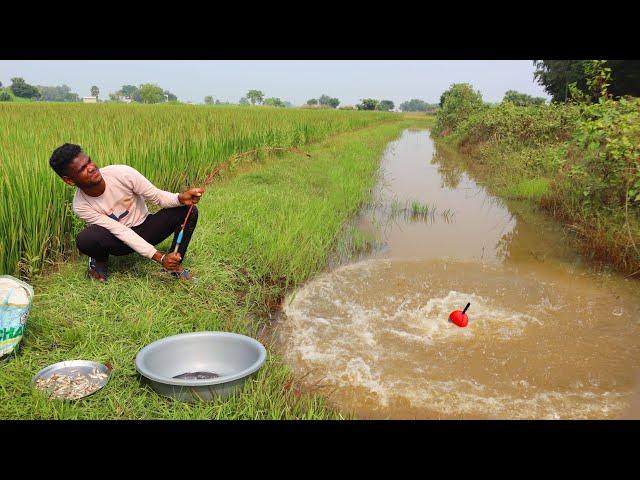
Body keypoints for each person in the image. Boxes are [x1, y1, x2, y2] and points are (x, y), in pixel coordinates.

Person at [49, 143, 204, 282]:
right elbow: (119, 230)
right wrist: (159, 257)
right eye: (82, 169)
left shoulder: (122, 173)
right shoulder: (81, 205)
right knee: (86, 239)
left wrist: (180, 198)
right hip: (118, 242)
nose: (91, 167)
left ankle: (174, 264)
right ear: (69, 180)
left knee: (187, 210)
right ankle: (99, 260)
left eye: (89, 161)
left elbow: (157, 197)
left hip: (145, 227)